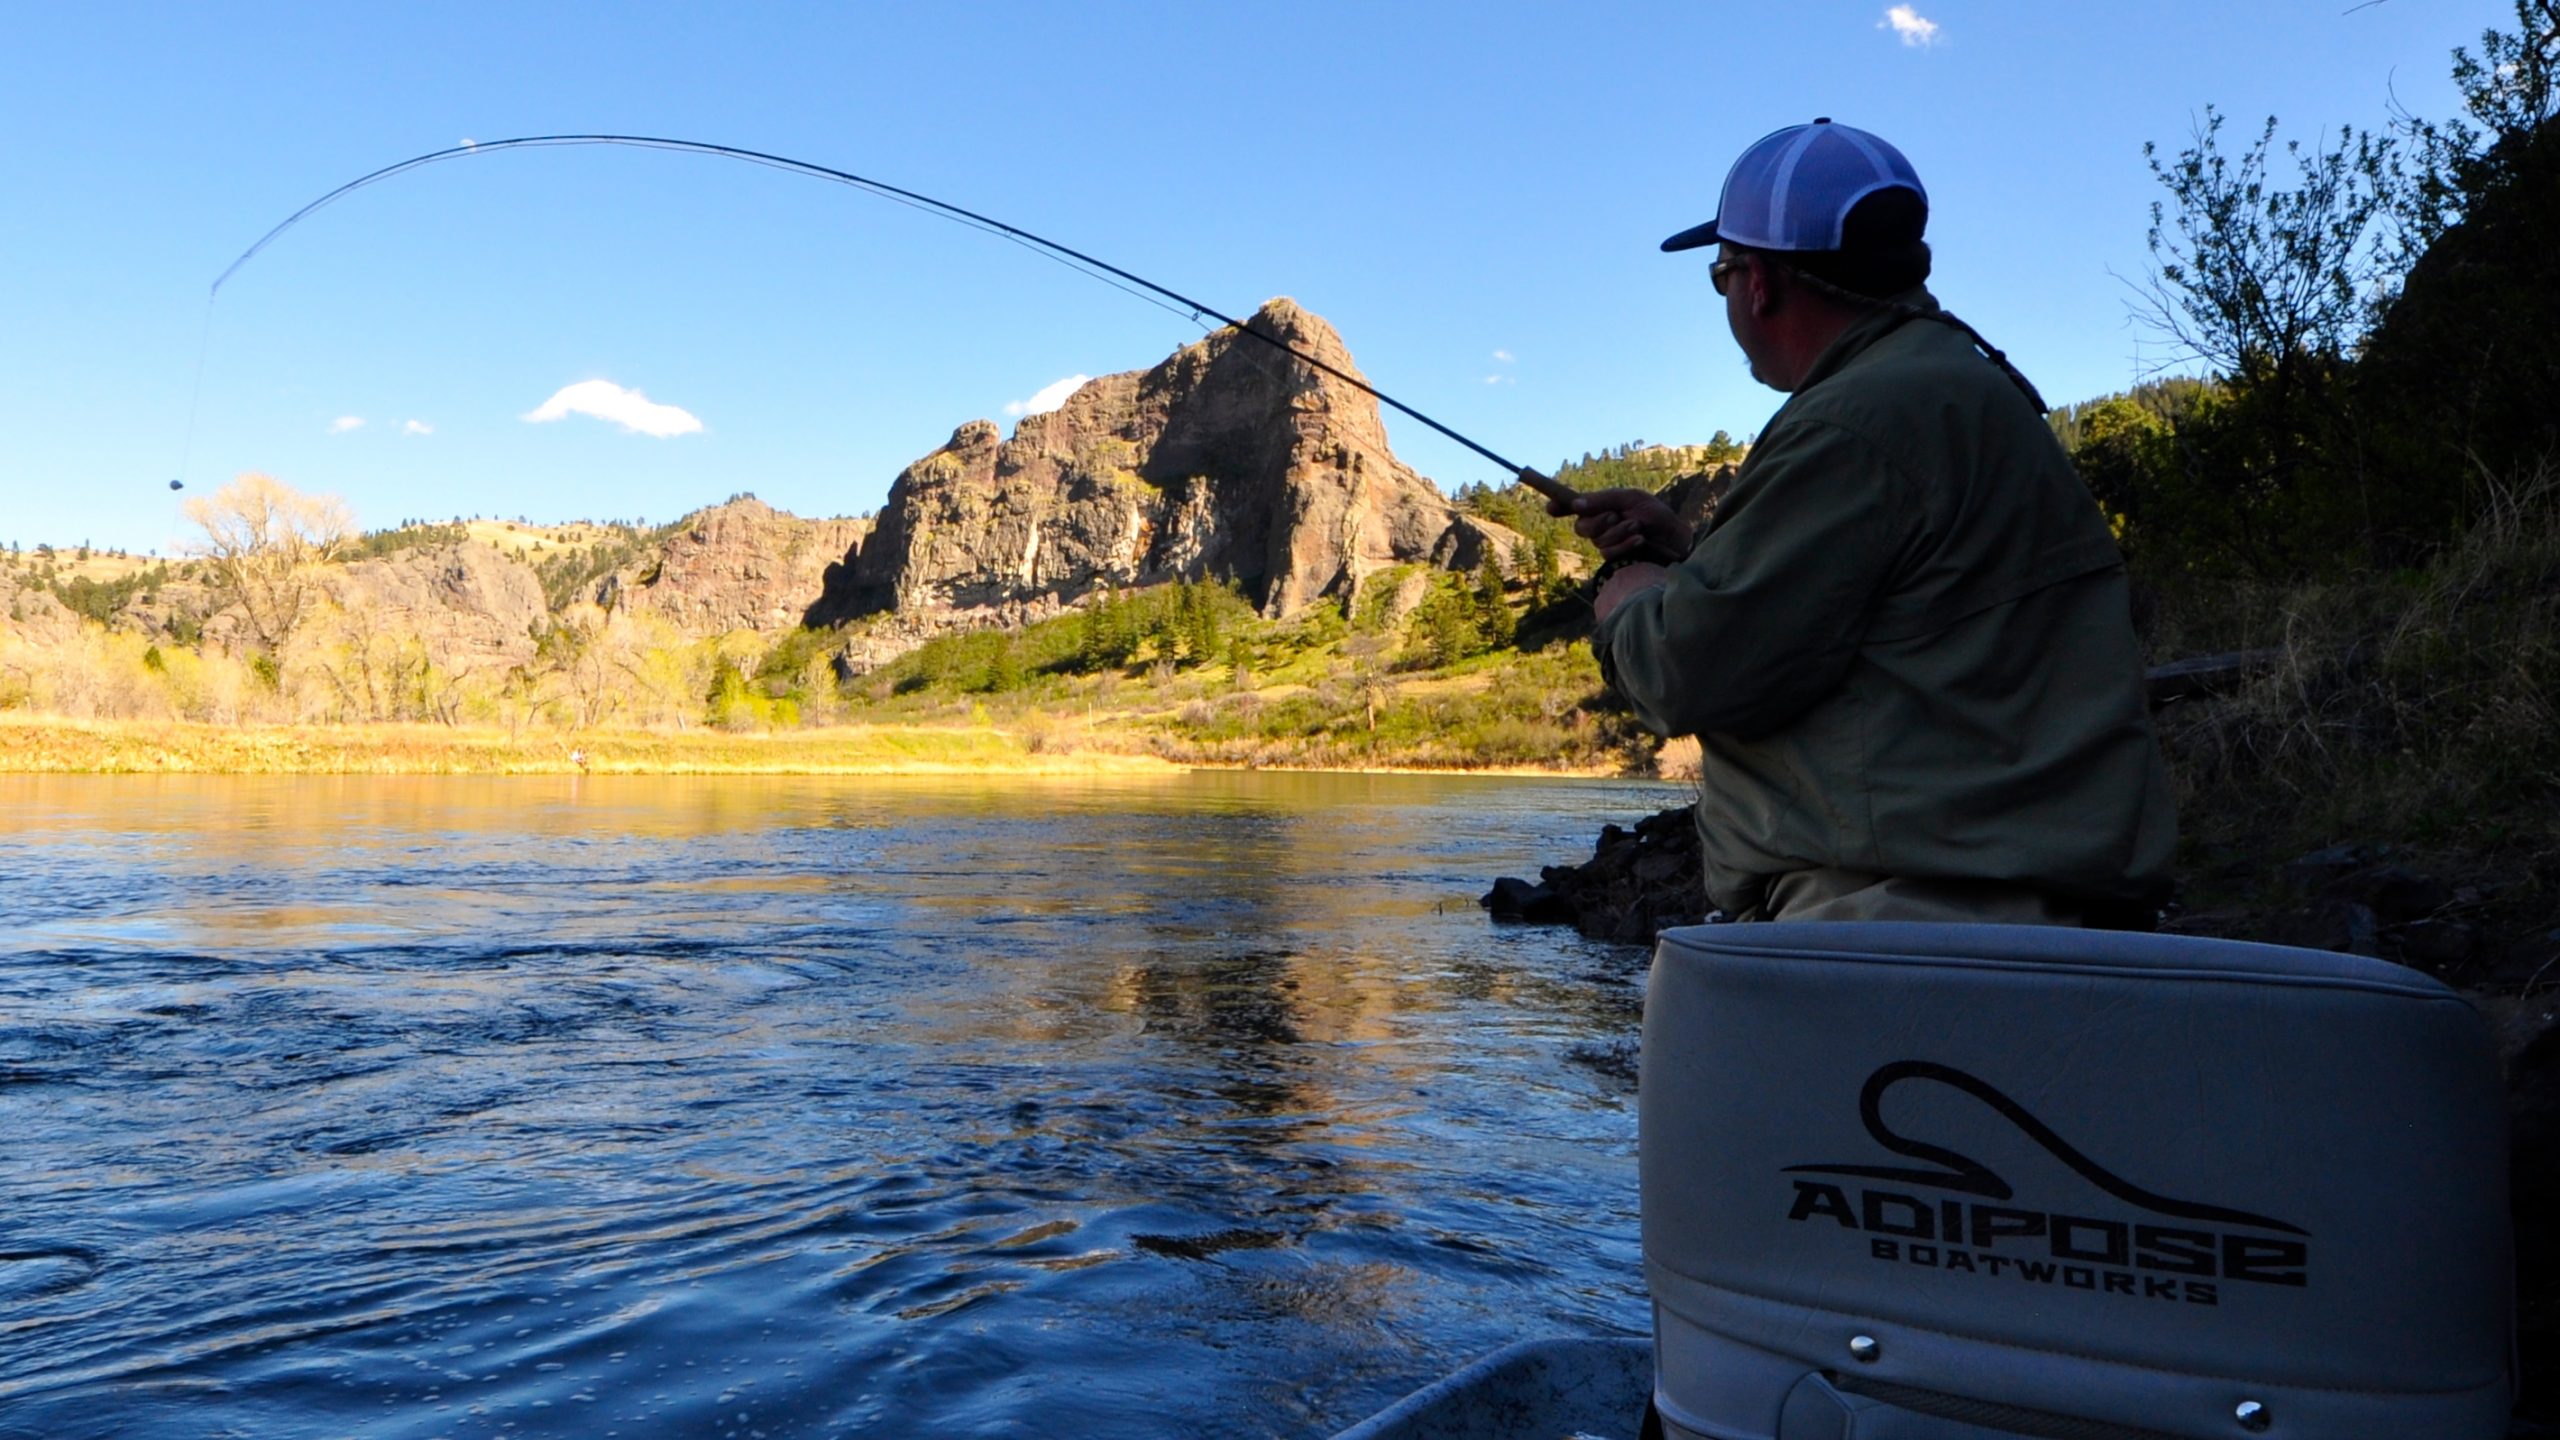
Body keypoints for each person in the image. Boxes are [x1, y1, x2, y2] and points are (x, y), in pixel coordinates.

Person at [1548, 119, 2175, 927]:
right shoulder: (1955, 383)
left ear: (1759, 282)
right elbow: (1892, 612)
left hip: (1905, 919)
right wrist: (1690, 553)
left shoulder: (1851, 425)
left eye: (1720, 275)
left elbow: (1687, 673)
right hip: (2019, 898)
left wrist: (1628, 598)